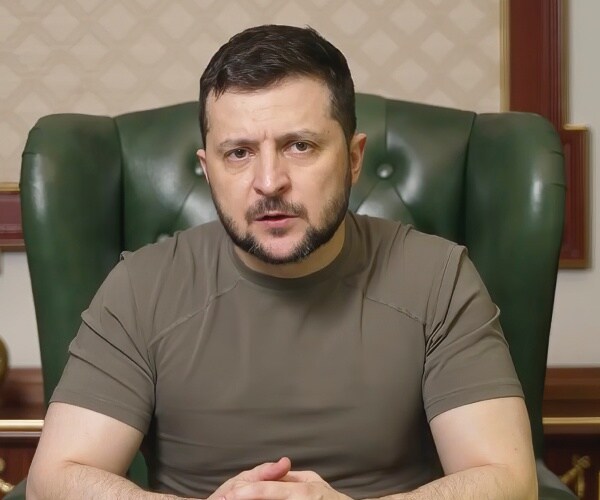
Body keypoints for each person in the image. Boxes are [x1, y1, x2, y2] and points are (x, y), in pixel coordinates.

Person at [27, 24, 536, 500]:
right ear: (207, 168)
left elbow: (509, 480)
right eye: (239, 153)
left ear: (353, 158)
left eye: (300, 146)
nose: (269, 182)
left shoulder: (438, 277)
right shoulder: (142, 286)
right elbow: (54, 479)